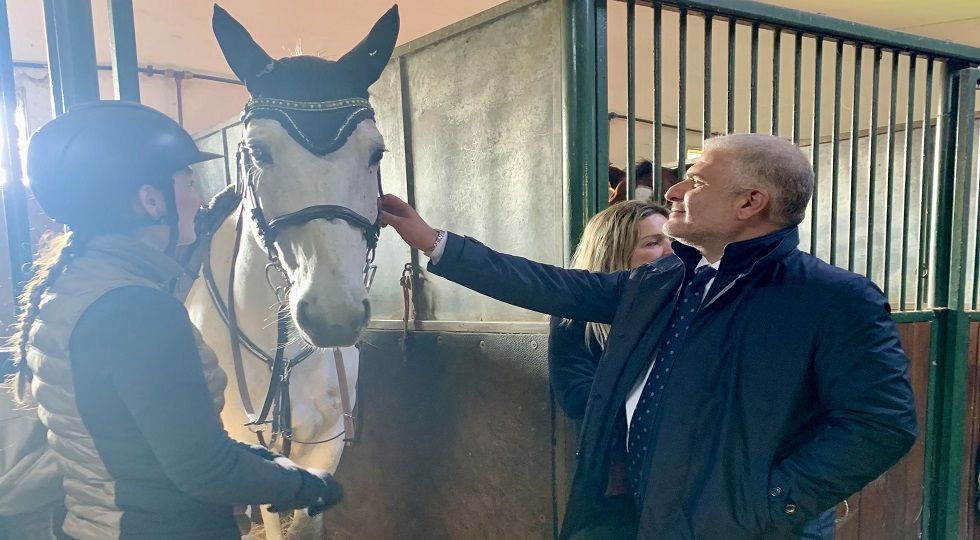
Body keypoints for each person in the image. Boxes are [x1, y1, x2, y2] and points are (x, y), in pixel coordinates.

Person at [379, 133, 918, 540]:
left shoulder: (835, 299)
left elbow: (882, 424)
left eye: (697, 180)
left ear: (750, 202)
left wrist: (773, 503)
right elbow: (555, 287)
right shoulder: (664, 278)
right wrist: (432, 240)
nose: (675, 188)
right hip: (644, 512)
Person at [5, 101, 343, 540]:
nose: (198, 199)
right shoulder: (136, 311)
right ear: (150, 200)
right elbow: (203, 468)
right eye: (187, 181)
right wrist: (308, 485)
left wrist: (265, 463)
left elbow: (150, 441)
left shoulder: (73, 288)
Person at [551, 201, 673, 421]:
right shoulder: (574, 316)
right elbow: (575, 397)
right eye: (653, 243)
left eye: (674, 239)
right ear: (614, 252)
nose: (671, 250)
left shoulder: (690, 300)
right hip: (621, 447)